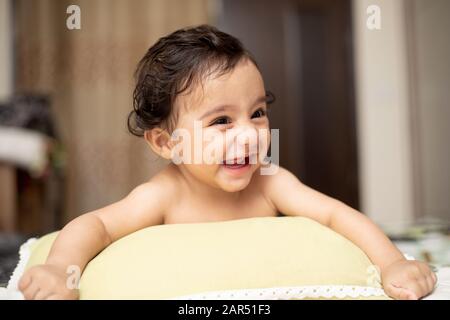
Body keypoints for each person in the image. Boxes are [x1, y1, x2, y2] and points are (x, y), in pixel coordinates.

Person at [18, 25, 436, 300]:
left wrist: (392, 261)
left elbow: (334, 215)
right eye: (221, 120)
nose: (249, 134)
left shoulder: (271, 181)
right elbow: (97, 226)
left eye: (257, 113)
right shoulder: (164, 195)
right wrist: (60, 270)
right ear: (166, 143)